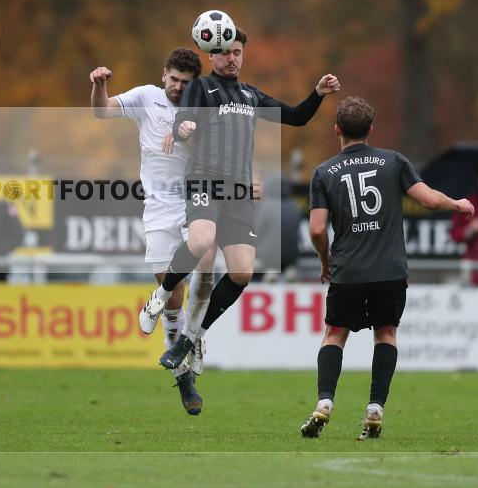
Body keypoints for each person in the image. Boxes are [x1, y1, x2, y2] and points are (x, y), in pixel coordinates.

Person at [143, 28, 340, 376]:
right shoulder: (200, 87)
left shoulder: (251, 95)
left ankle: (193, 336)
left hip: (238, 193)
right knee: (201, 241)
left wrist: (318, 93)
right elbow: (183, 118)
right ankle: (162, 293)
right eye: (225, 52)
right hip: (204, 179)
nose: (231, 58)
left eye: (237, 52)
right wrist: (184, 128)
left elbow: (295, 116)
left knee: (242, 271)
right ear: (211, 54)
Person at [299, 97, 474, 440]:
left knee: (335, 334)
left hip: (348, 270)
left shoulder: (323, 172)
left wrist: (325, 260)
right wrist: (458, 204)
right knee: (386, 334)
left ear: (337, 129)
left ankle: (324, 402)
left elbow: (317, 229)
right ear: (370, 130)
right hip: (390, 270)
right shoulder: (393, 161)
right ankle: (375, 409)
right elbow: (426, 199)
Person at [90, 47, 217, 416]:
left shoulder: (203, 109)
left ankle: (194, 339)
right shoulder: (146, 97)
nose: (178, 87)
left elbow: (216, 153)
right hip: (159, 208)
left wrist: (186, 135)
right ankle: (182, 373)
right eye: (174, 79)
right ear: (164, 74)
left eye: (185, 82)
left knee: (206, 263)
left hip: (197, 201)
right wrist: (100, 86)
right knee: (174, 295)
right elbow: (101, 110)